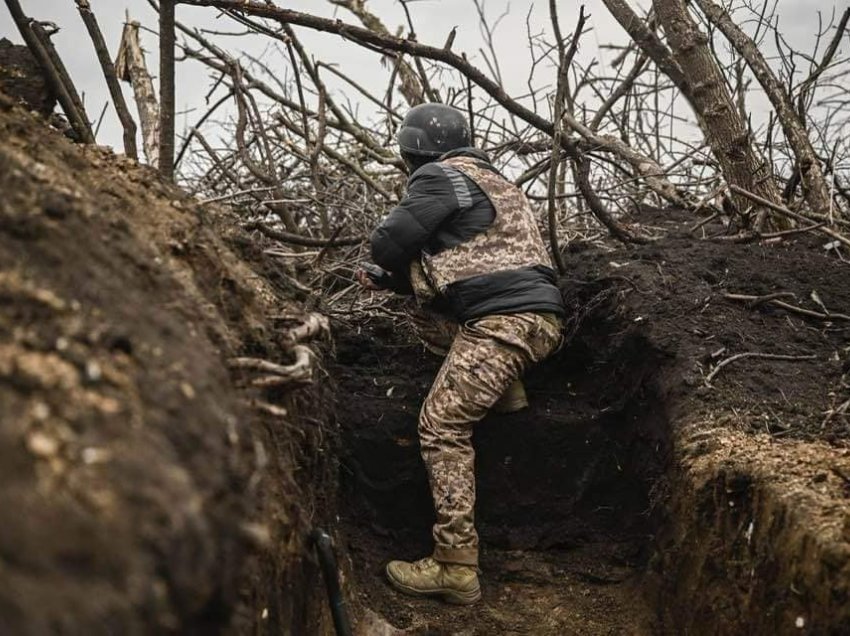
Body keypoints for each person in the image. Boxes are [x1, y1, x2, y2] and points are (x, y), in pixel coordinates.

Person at [356, 103, 566, 605]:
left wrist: (390, 262)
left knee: (442, 427)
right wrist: (399, 282)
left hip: (502, 326)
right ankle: (504, 389)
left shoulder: (439, 176)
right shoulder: (497, 181)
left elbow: (387, 242)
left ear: (411, 151)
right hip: (539, 320)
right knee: (432, 310)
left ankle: (454, 566)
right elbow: (472, 268)